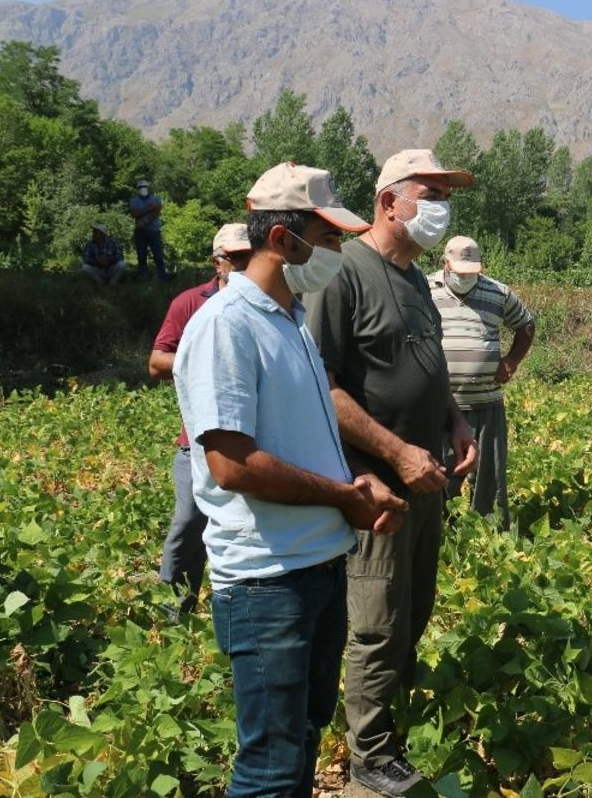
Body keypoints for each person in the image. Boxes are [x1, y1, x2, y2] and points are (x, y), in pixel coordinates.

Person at [173, 162, 408, 797]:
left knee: (302, 737)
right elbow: (231, 464)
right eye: (329, 239)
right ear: (282, 238)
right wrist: (344, 496)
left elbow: (306, 437)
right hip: (267, 581)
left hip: (318, 566)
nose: (339, 253)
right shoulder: (226, 325)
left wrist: (358, 482)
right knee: (270, 767)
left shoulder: (292, 320)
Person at [303, 149, 478, 797]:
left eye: (445, 197)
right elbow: (322, 386)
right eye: (430, 197)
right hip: (375, 485)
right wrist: (396, 453)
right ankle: (369, 755)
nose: (442, 209)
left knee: (414, 610)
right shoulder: (344, 274)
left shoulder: (414, 280)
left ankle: (389, 729)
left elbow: (426, 365)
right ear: (389, 203)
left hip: (425, 479)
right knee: (377, 622)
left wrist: (455, 421)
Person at [148, 223, 251, 617]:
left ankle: (238, 609)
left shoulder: (267, 301)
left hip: (251, 439)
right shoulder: (191, 302)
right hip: (197, 440)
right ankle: (173, 611)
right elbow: (157, 362)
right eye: (234, 258)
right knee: (189, 521)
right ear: (217, 262)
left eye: (249, 257)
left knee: (244, 526)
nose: (242, 265)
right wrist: (208, 359)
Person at [428, 235, 535, 531]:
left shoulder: (497, 292)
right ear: (445, 264)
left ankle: (491, 535)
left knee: (490, 478)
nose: (465, 277)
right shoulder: (424, 289)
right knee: (439, 474)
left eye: (471, 272)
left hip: (486, 402)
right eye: (459, 272)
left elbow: (526, 324)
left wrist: (512, 360)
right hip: (439, 406)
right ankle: (441, 533)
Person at [129, 177, 170, 281]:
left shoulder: (156, 199)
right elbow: (134, 213)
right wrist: (148, 208)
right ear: (138, 189)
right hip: (140, 232)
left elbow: (156, 211)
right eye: (141, 187)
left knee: (158, 255)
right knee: (141, 256)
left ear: (148, 188)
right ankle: (143, 277)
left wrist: (144, 221)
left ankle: (162, 277)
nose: (143, 188)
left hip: (154, 231)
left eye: (144, 186)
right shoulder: (134, 200)